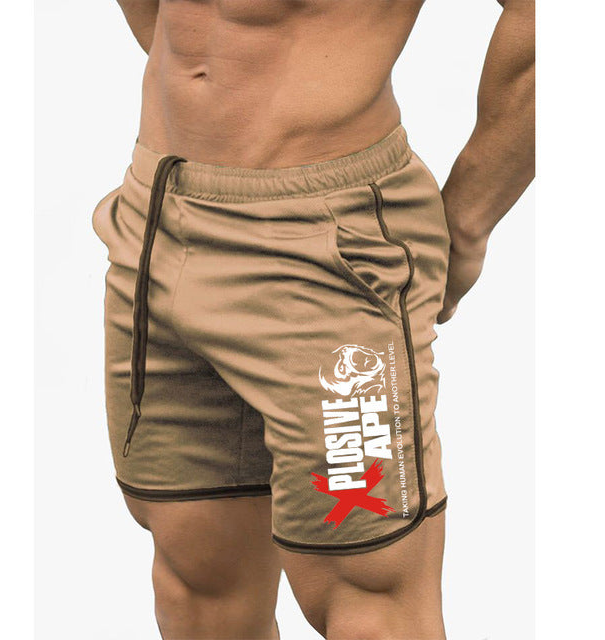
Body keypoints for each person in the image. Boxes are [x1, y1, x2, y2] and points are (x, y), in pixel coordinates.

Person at [91, 0, 534, 638]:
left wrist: (468, 221)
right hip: (156, 215)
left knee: (372, 601)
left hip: (326, 241)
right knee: (196, 586)